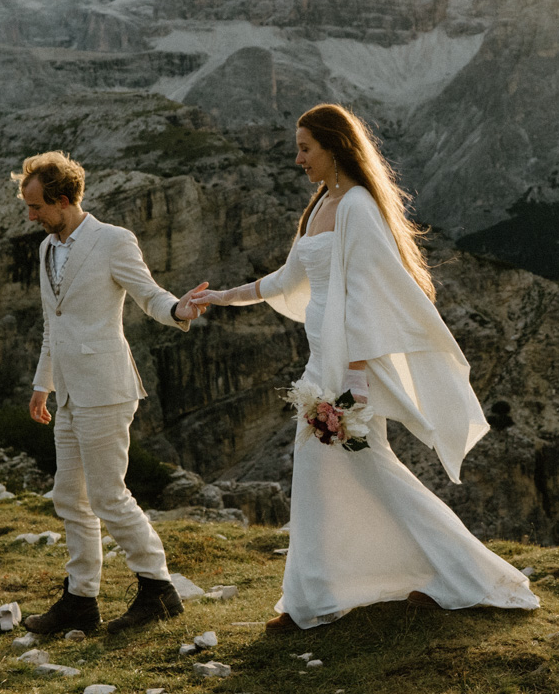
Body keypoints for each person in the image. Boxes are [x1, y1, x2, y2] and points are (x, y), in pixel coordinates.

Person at [198, 104, 539, 631]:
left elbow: (365, 297)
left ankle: (453, 579)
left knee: (365, 470)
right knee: (328, 477)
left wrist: (355, 380)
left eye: (306, 147)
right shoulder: (319, 207)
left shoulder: (357, 206)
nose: (298, 158)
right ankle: (320, 596)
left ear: (334, 147)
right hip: (322, 363)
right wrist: (222, 297)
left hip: (346, 365)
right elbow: (286, 280)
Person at [13, 151, 210, 635]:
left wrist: (179, 310)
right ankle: (81, 599)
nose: (31, 217)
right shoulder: (45, 250)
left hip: (106, 389)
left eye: (36, 207)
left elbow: (148, 294)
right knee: (69, 496)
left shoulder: (113, 240)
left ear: (63, 200)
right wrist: (44, 385)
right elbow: (51, 325)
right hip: (69, 396)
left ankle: (158, 589)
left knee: (107, 495)